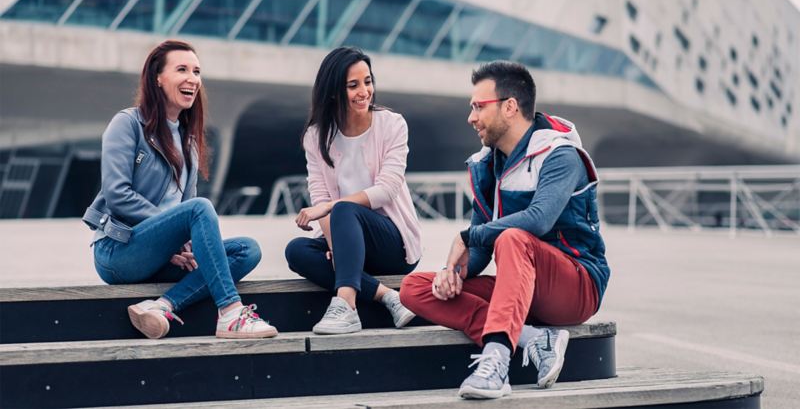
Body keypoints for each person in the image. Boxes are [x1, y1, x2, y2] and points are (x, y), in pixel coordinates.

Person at [399, 61, 610, 399]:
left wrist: (467, 237)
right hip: (521, 290)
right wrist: (454, 271)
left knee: (513, 239)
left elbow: (538, 219)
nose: (471, 117)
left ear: (510, 107)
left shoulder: (559, 155)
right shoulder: (486, 165)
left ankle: (496, 363)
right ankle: (532, 339)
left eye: (478, 107)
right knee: (415, 288)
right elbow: (482, 246)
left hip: (576, 285)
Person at [83, 40, 277, 340]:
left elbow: (182, 216)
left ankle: (161, 306)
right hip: (118, 251)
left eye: (197, 71)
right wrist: (174, 240)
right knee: (200, 208)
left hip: (161, 256)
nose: (193, 79)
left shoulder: (189, 142)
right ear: (157, 78)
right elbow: (117, 195)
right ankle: (231, 312)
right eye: (182, 69)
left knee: (247, 250)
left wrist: (182, 248)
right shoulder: (128, 124)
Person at [285, 46, 422, 335]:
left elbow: (386, 189)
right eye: (353, 85)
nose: (364, 91)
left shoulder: (392, 124)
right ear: (334, 90)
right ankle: (388, 296)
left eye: (368, 81)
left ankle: (346, 305)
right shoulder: (316, 136)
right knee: (296, 250)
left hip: (392, 243)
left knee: (344, 207)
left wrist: (331, 208)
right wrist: (335, 245)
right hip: (348, 242)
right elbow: (320, 195)